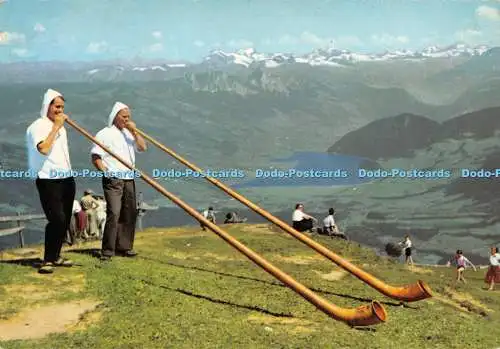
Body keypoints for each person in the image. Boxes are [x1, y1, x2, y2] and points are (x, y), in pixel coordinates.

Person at [26, 88, 75, 274]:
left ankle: (56, 256)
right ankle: (47, 260)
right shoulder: (37, 126)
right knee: (56, 218)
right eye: (56, 107)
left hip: (66, 177)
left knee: (65, 219)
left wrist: (59, 126)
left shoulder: (60, 127)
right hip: (47, 178)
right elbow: (44, 149)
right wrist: (56, 127)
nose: (60, 111)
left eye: (62, 107)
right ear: (47, 106)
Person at [90, 101, 147, 260]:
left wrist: (135, 132)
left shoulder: (130, 133)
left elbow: (143, 148)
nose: (127, 120)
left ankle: (125, 247)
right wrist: (105, 172)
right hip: (113, 179)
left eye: (129, 117)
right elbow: (95, 157)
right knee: (114, 213)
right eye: (124, 117)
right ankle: (108, 250)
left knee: (129, 213)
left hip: (129, 178)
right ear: (115, 117)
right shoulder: (104, 133)